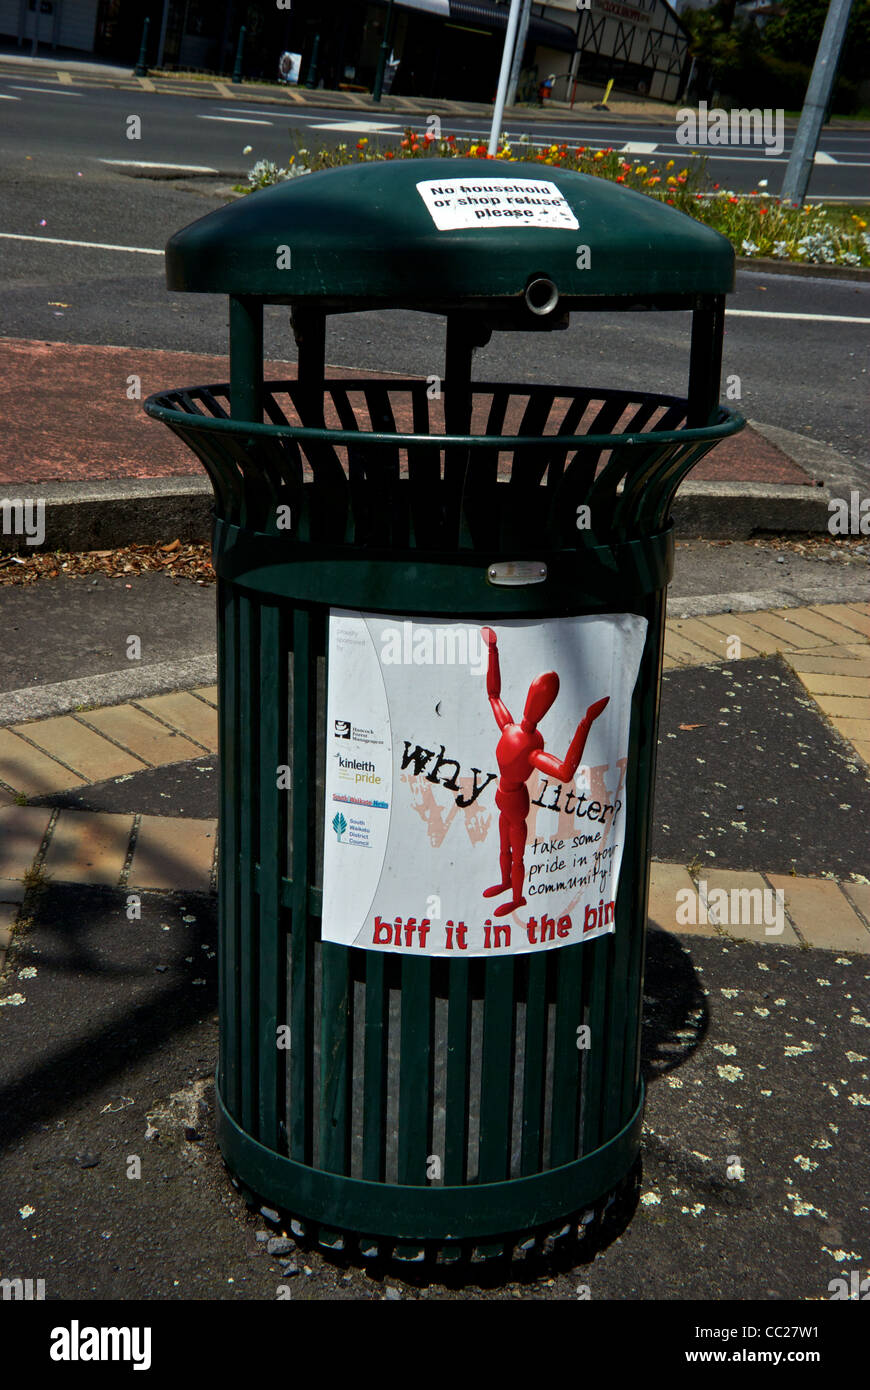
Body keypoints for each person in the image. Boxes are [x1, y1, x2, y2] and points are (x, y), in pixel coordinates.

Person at [480, 627, 609, 918]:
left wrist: (585, 723)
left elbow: (565, 772)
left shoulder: (527, 744)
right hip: (503, 796)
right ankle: (504, 884)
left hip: (515, 802)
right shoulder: (511, 728)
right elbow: (493, 694)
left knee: (516, 854)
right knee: (504, 847)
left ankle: (516, 897)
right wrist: (492, 649)